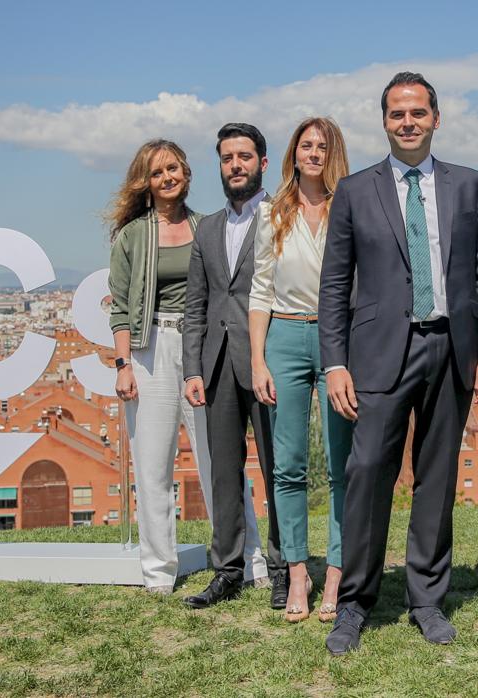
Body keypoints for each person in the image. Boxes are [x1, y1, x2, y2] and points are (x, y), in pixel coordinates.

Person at [318, 72, 478, 655]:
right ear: (384, 121)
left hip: (450, 349)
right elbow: (333, 285)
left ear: (435, 118)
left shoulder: (470, 186)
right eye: (397, 113)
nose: (408, 122)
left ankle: (427, 598)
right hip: (375, 355)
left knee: (437, 478)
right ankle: (354, 603)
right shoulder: (354, 189)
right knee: (367, 472)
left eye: (418, 112)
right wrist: (335, 363)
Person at [107, 139, 267, 594]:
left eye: (174, 168)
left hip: (206, 345)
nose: (167, 178)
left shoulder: (208, 225)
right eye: (157, 173)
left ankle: (246, 558)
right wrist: (123, 364)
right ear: (147, 182)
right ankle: (158, 571)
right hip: (149, 348)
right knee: (152, 465)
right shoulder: (132, 236)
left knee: (220, 460)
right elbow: (119, 306)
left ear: (188, 173)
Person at [249, 117, 355, 623]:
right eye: (306, 145)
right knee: (287, 465)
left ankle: (336, 570)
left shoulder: (352, 206)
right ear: (294, 153)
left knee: (342, 465)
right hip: (285, 338)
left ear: (333, 153)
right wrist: (257, 359)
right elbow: (259, 292)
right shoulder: (273, 213)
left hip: (340, 339)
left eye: (322, 146)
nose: (313, 153)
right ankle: (297, 572)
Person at [182, 124, 289, 609]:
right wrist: (192, 369)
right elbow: (196, 305)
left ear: (262, 163)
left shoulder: (283, 215)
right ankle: (228, 570)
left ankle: (286, 567)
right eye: (227, 158)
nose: (235, 166)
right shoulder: (206, 227)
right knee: (224, 473)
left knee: (278, 468)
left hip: (268, 360)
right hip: (217, 364)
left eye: (244, 157)